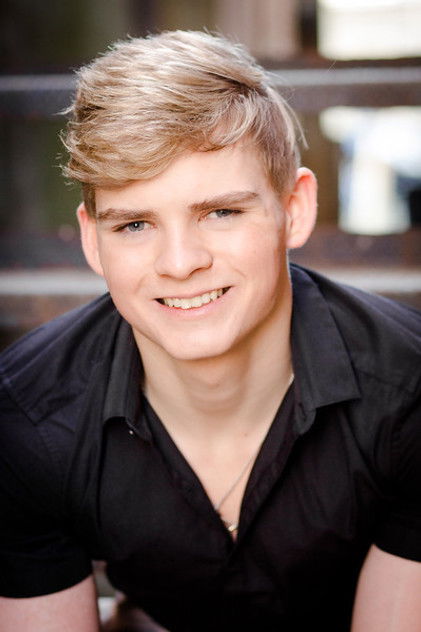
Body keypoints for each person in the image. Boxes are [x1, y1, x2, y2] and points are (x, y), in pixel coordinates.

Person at [0, 30, 420, 632]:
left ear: (294, 209)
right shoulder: (25, 417)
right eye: (135, 224)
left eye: (221, 212)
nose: (180, 263)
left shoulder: (408, 391)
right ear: (92, 240)